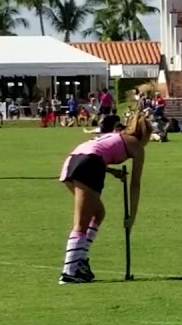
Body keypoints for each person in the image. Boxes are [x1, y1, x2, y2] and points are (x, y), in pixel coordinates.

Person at [56, 112, 151, 284]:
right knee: (81, 223)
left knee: (97, 213)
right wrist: (132, 216)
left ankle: (81, 261)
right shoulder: (137, 147)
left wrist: (111, 170)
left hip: (72, 162)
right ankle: (69, 272)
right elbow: (135, 184)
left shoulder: (115, 136)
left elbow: (94, 152)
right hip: (89, 165)